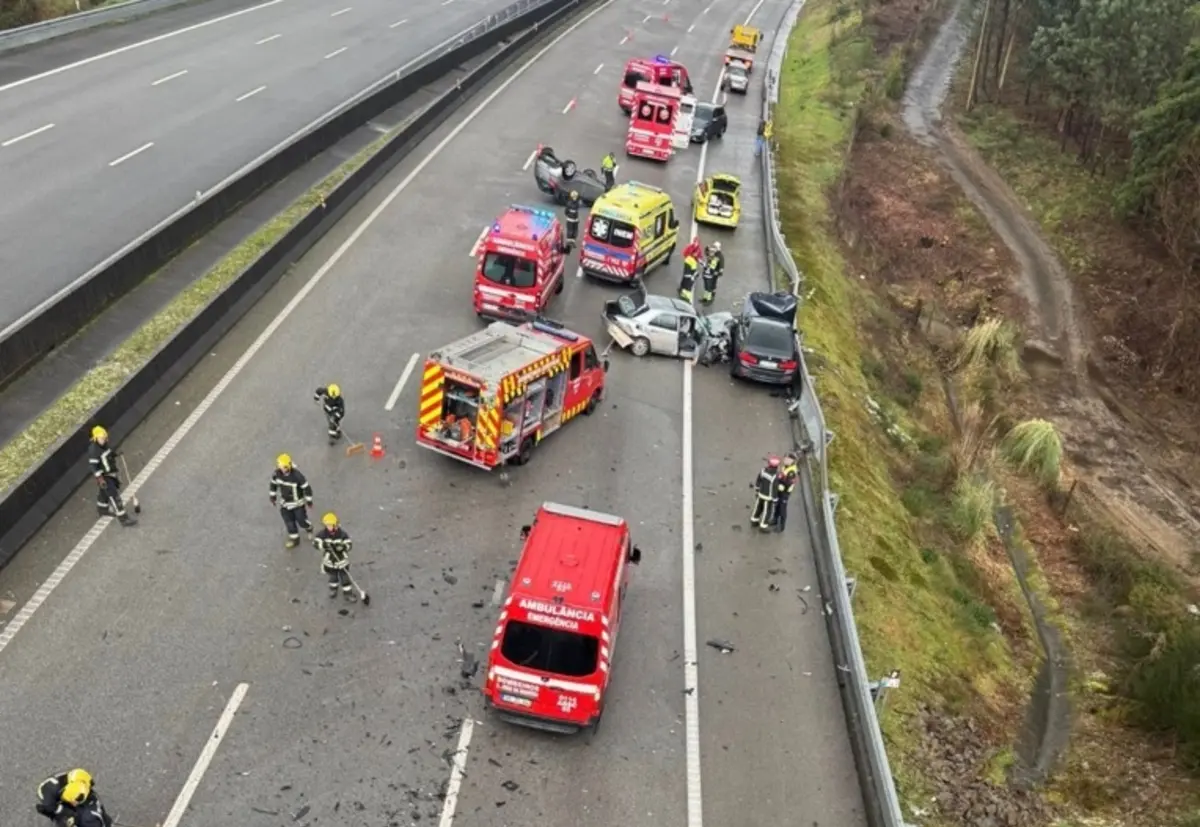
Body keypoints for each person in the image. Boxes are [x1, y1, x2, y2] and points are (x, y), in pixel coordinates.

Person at [87, 427, 137, 527]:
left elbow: (109, 453)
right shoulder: (94, 451)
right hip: (104, 476)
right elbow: (93, 467)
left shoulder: (105, 444)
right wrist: (100, 479)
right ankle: (124, 519)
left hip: (111, 473)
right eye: (101, 438)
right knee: (115, 497)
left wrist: (116, 454)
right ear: (96, 438)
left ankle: (102, 508)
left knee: (104, 492)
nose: (103, 440)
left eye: (104, 438)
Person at [36, 769, 112, 827]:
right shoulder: (50, 796)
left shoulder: (79, 779)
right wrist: (59, 812)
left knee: (89, 818)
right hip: (57, 803)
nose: (74, 803)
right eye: (72, 802)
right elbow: (52, 808)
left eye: (76, 802)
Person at [269, 454, 313, 549]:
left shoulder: (297, 476)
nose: (282, 469)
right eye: (280, 466)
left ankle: (308, 527)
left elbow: (306, 488)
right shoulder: (276, 475)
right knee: (289, 522)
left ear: (288, 466)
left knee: (301, 520)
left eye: (283, 467)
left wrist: (309, 501)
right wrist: (272, 496)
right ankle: (294, 539)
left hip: (298, 503)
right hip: (285, 503)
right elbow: (273, 485)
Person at [314, 513, 355, 601]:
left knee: (345, 578)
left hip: (341, 560)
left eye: (330, 525)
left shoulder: (342, 534)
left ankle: (348, 593)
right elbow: (316, 543)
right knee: (333, 577)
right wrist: (323, 545)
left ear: (335, 524)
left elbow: (349, 544)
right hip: (330, 561)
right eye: (327, 525)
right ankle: (333, 589)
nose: (329, 527)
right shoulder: (322, 534)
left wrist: (342, 547)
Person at [750, 456, 782, 530]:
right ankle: (763, 525)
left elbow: (758, 480)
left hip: (761, 493)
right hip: (768, 497)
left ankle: (754, 520)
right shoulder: (775, 476)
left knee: (758, 507)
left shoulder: (763, 471)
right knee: (767, 511)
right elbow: (774, 488)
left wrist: (757, 489)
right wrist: (775, 499)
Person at [773, 453, 799, 532]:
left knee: (782, 508)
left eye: (787, 459)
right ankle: (775, 519)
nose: (785, 460)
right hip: (780, 490)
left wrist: (780, 480)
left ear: (792, 461)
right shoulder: (785, 466)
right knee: (777, 505)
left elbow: (788, 482)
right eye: (785, 458)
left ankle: (781, 526)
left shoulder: (792, 471)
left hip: (785, 492)